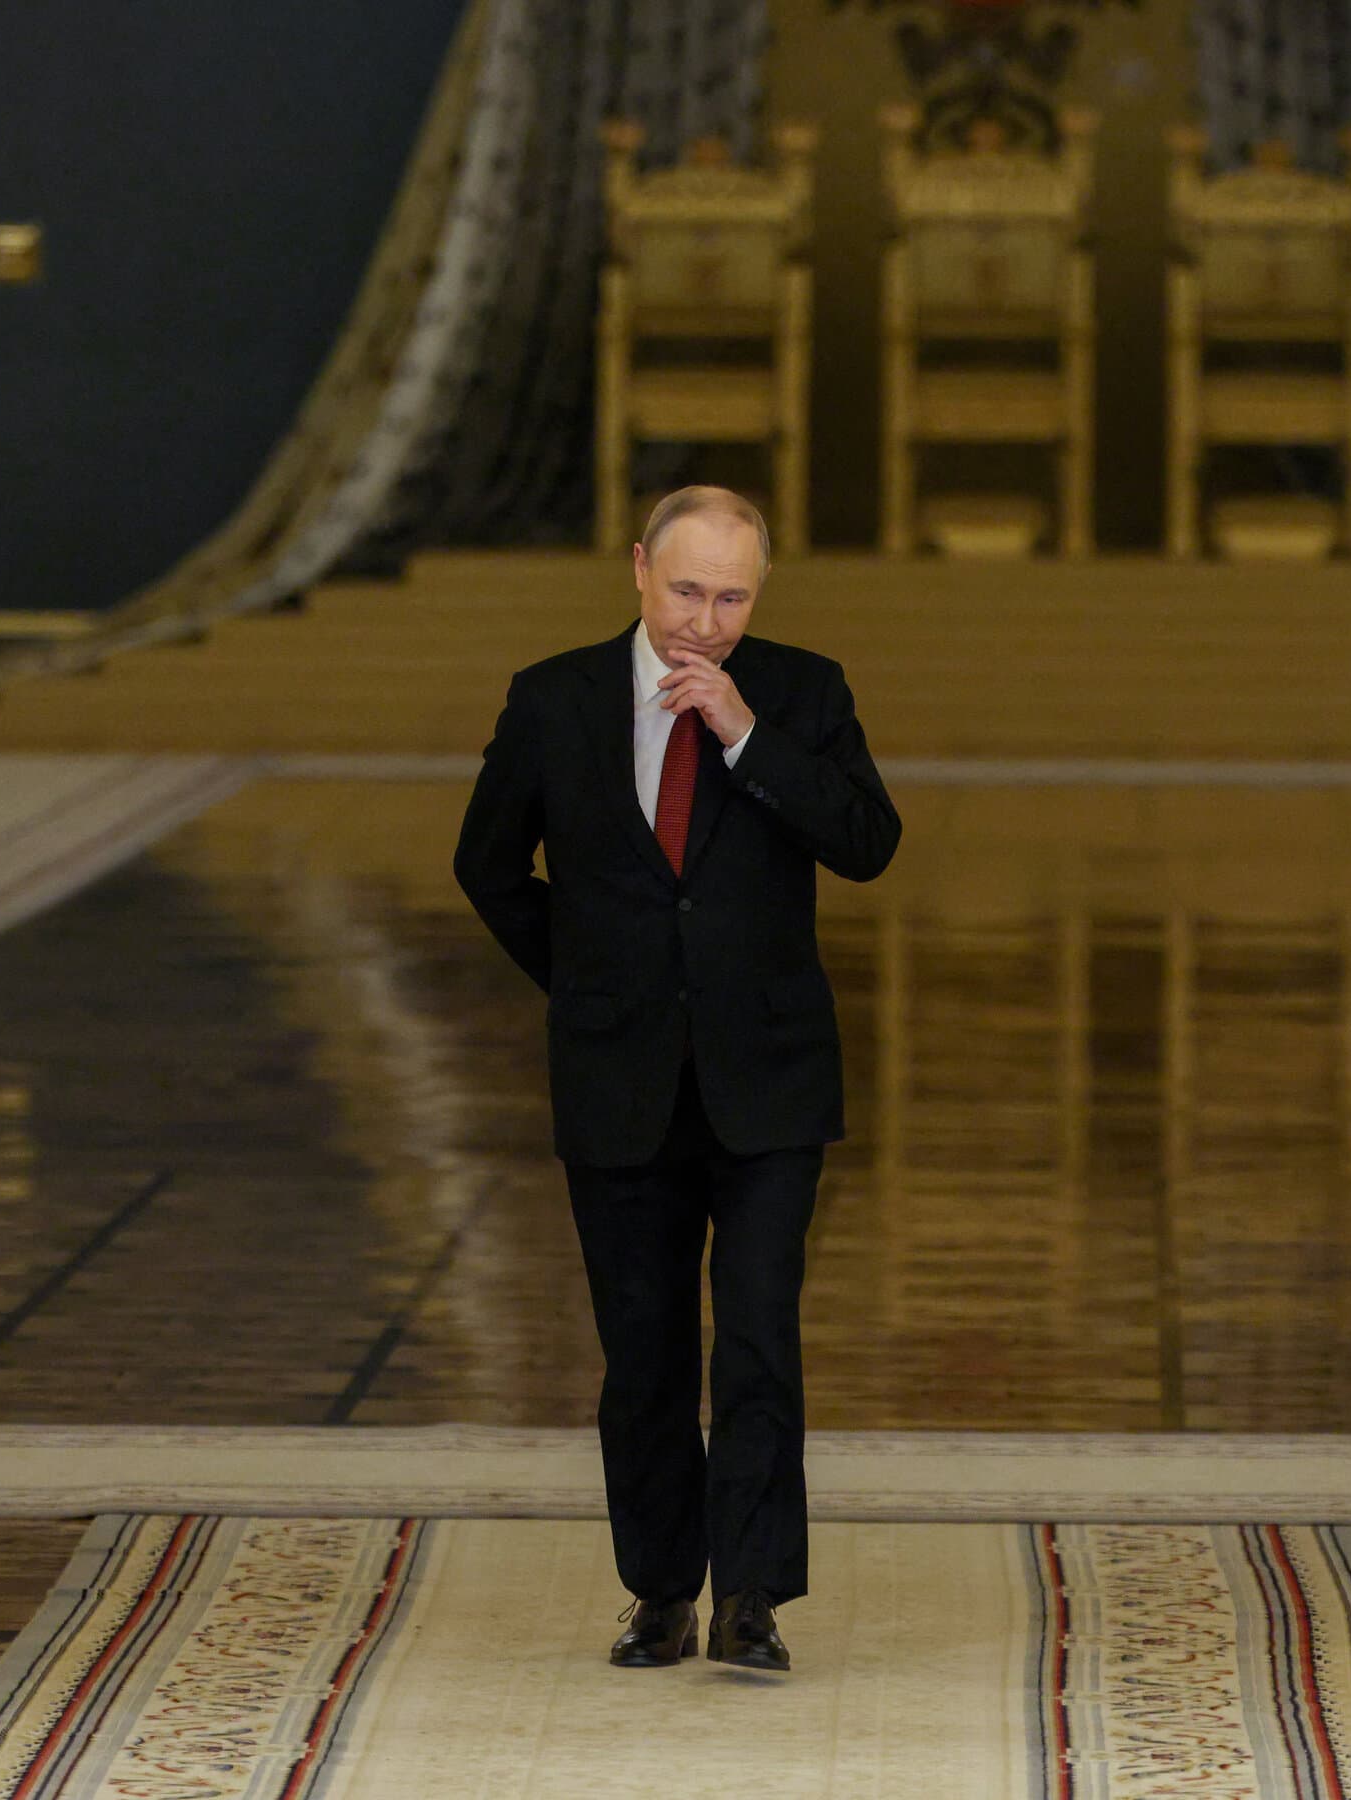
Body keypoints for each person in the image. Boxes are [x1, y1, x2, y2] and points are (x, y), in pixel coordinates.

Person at [455, 486, 899, 1672]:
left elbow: (868, 842)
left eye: (734, 596)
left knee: (758, 1335)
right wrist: (591, 983)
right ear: (640, 570)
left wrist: (749, 734)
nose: (708, 621)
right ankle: (661, 1587)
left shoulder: (803, 691)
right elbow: (486, 864)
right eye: (690, 590)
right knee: (643, 1347)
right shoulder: (555, 699)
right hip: (619, 1076)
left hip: (769, 1078)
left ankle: (751, 1594)